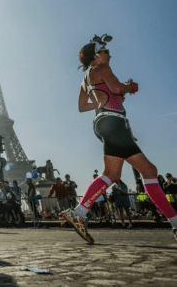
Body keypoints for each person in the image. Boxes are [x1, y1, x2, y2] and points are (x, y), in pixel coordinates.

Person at [63, 35, 177, 243]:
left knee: (122, 172)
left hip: (101, 122)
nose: (109, 54)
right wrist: (130, 87)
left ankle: (78, 213)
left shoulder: (85, 79)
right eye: (106, 51)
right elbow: (117, 88)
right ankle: (176, 223)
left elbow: (82, 107)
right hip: (114, 122)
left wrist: (106, 98)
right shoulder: (103, 69)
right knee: (141, 172)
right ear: (96, 55)